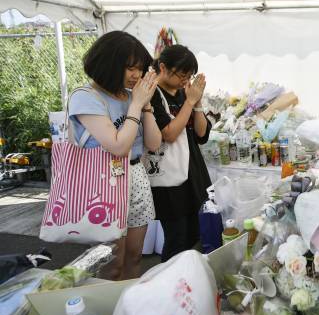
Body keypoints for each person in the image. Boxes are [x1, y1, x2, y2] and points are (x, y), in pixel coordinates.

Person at [69, 31, 162, 279]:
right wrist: (135, 105)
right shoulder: (85, 97)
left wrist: (147, 105)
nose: (136, 75)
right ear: (108, 64)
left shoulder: (133, 96)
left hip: (136, 175)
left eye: (140, 68)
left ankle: (129, 307)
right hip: (105, 181)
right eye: (129, 68)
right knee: (112, 262)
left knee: (134, 255)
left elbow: (154, 143)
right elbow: (118, 146)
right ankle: (108, 308)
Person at [149, 45, 212, 262]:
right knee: (177, 238)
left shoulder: (186, 93)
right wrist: (190, 102)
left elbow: (202, 133)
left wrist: (198, 102)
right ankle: (167, 285)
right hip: (169, 181)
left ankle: (186, 281)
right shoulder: (152, 95)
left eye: (189, 76)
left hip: (194, 172)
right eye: (181, 75)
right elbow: (169, 133)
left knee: (195, 233)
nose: (185, 81)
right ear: (163, 67)